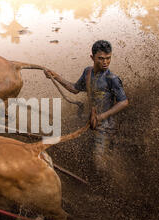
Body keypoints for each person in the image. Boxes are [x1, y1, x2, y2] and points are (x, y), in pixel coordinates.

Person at [45, 40, 129, 172]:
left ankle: (111, 185)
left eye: (108, 58)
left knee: (99, 162)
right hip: (90, 122)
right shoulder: (88, 72)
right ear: (92, 57)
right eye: (101, 59)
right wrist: (55, 76)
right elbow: (74, 88)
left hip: (105, 126)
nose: (105, 62)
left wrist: (101, 117)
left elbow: (124, 102)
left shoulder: (111, 78)